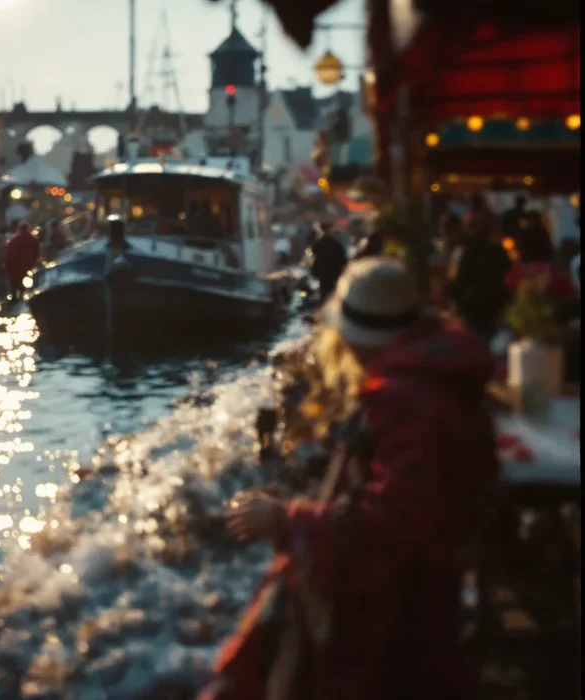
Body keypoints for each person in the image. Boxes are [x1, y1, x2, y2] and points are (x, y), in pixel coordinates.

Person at [201, 258, 500, 700]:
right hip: (435, 592)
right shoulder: (435, 378)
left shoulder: (406, 400)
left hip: (403, 614)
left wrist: (288, 519)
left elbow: (395, 521)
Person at [449, 205, 512, 342]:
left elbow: (459, 280)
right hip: (493, 306)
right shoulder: (497, 252)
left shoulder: (467, 251)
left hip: (473, 307)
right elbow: (509, 278)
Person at [2, 221, 40, 301]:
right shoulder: (31, 238)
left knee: (14, 285)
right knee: (24, 285)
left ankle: (14, 299)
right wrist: (35, 262)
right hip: (25, 266)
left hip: (12, 266)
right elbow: (36, 252)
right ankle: (23, 298)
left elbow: (7, 253)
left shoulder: (14, 239)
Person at [310, 223, 347, 303]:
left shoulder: (318, 243)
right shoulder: (335, 243)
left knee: (324, 292)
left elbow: (313, 258)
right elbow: (343, 259)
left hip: (324, 273)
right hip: (333, 273)